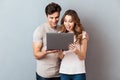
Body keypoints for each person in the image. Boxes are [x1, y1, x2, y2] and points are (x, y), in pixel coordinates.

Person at [32, 2, 61, 80]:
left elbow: (74, 35)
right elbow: (36, 55)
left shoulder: (62, 29)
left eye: (57, 17)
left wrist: (85, 36)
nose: (54, 20)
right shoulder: (40, 30)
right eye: (51, 17)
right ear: (46, 16)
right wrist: (46, 52)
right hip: (44, 75)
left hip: (59, 74)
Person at [58, 9, 88, 80]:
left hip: (78, 72)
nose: (67, 24)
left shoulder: (82, 34)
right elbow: (61, 57)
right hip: (64, 71)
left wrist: (76, 51)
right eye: (65, 21)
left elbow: (83, 57)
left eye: (70, 21)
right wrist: (59, 52)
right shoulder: (60, 34)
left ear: (75, 22)